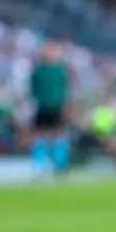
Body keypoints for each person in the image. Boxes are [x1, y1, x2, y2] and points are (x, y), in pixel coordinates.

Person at [29, 41, 71, 175]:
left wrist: (65, 106)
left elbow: (65, 91)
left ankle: (59, 164)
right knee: (40, 135)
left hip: (57, 108)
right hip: (42, 107)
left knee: (58, 135)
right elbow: (33, 90)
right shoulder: (39, 71)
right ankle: (39, 165)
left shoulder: (60, 71)